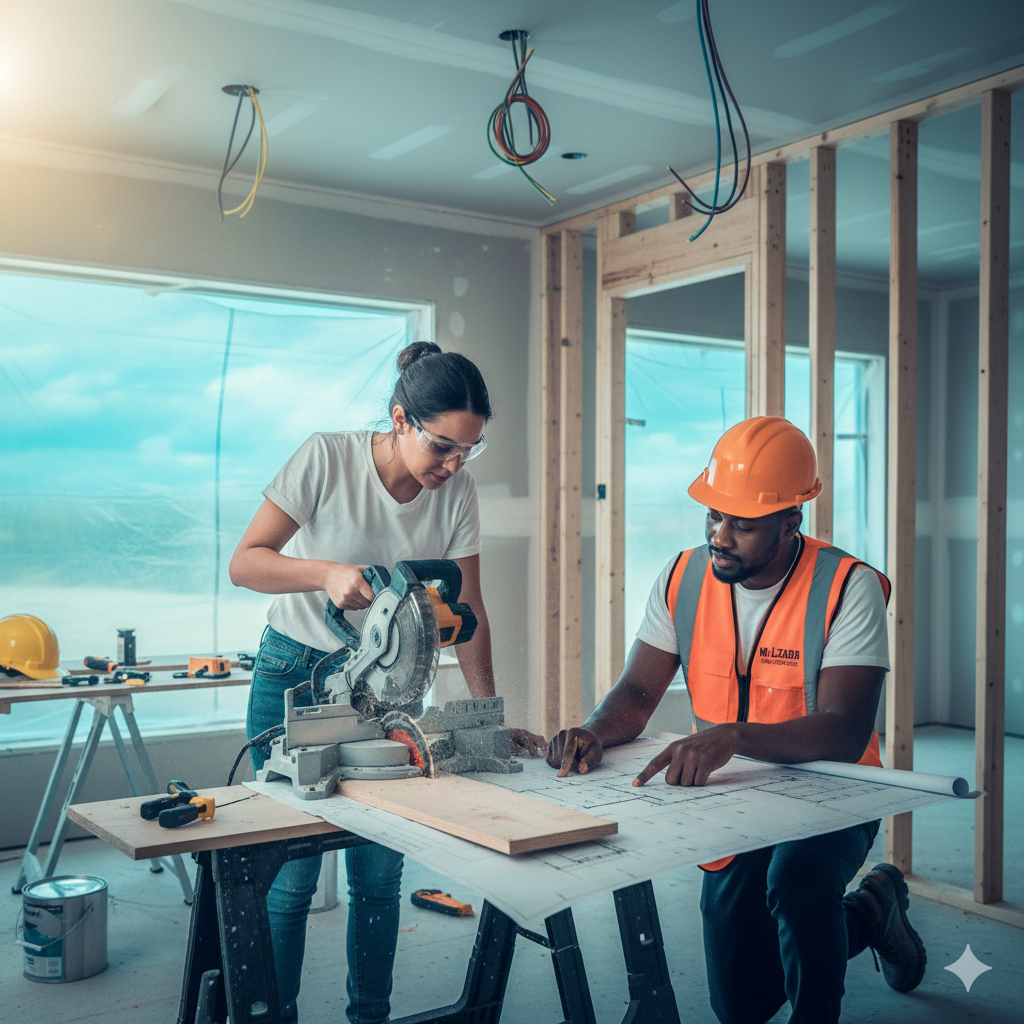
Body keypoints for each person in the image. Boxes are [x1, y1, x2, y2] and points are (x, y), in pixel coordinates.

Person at [546, 416, 927, 1024]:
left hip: (836, 791)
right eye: (713, 516)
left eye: (742, 524)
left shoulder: (846, 587)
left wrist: (731, 737)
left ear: (789, 521)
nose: (720, 535)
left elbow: (845, 728)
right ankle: (873, 912)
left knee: (798, 887)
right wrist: (594, 729)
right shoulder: (683, 577)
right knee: (744, 1003)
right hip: (737, 796)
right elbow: (639, 690)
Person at [229, 341, 545, 1024]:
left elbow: (468, 612)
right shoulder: (327, 456)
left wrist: (484, 719)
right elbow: (246, 563)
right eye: (442, 446)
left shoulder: (455, 488)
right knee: (289, 877)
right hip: (296, 674)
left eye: (470, 450)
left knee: (378, 873)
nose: (455, 464)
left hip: (392, 685)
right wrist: (326, 574)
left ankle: (369, 1016)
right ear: (401, 420)